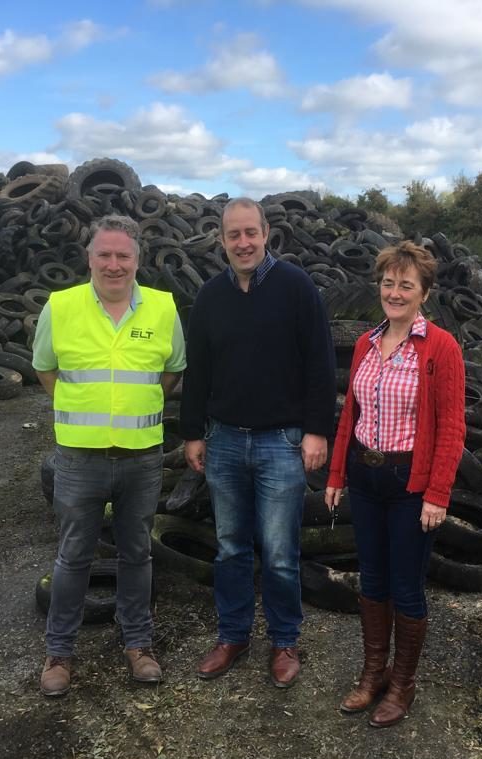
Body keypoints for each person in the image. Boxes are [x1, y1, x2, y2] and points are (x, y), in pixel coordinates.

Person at [180, 197, 336, 688]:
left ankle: (285, 642)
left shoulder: (296, 287)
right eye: (233, 235)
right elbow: (198, 370)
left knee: (280, 551)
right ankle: (233, 636)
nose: (243, 243)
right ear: (221, 239)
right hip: (224, 440)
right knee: (230, 548)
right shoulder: (210, 297)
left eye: (251, 233)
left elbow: (319, 362)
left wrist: (317, 430)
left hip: (282, 443)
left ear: (266, 233)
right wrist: (191, 433)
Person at [32, 214, 186, 697]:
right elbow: (45, 371)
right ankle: (59, 652)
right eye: (105, 255)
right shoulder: (60, 307)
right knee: (74, 554)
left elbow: (171, 372)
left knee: (136, 553)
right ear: (89, 258)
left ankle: (138, 646)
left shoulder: (163, 308)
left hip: (141, 458)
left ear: (137, 260)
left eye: (123, 256)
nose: (114, 265)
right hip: (79, 458)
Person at [324, 240, 465, 728]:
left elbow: (451, 426)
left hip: (410, 481)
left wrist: (437, 494)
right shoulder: (366, 341)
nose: (395, 292)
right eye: (388, 282)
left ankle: (402, 684)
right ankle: (372, 674)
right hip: (365, 475)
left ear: (424, 292)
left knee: (406, 588)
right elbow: (351, 415)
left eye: (406, 284)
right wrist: (338, 473)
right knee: (372, 579)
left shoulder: (441, 347)